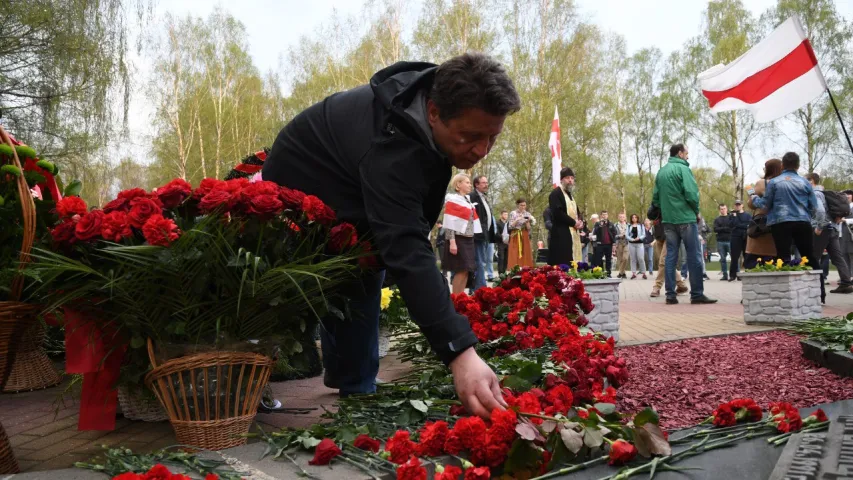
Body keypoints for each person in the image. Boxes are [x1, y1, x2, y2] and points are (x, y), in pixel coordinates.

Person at [262, 53, 520, 417]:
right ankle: (242, 373)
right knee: (339, 271)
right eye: (470, 136)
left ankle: (352, 377)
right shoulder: (392, 147)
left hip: (345, 182)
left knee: (364, 264)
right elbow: (407, 249)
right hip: (301, 186)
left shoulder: (432, 101)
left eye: (492, 137)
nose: (481, 151)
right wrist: (461, 355)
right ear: (433, 113)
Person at [652, 144, 716, 304]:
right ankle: (696, 294)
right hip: (686, 218)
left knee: (670, 257)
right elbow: (691, 193)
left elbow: (655, 198)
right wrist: (696, 212)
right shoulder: (684, 169)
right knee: (694, 255)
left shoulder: (661, 172)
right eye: (687, 153)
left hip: (668, 220)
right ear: (680, 153)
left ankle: (670, 295)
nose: (688, 156)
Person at [751, 153, 817, 271]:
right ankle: (819, 287)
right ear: (798, 165)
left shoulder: (774, 182)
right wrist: (808, 216)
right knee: (808, 256)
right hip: (802, 222)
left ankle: (786, 287)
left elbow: (764, 204)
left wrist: (753, 196)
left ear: (782, 165)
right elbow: (814, 206)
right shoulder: (805, 182)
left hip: (780, 223)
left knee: (783, 256)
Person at [806, 172, 853, 295]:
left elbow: (820, 211)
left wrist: (819, 227)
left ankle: (814, 288)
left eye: (806, 181)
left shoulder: (815, 194)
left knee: (814, 257)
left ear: (811, 181)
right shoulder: (824, 193)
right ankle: (846, 283)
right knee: (838, 257)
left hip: (822, 229)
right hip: (833, 229)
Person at [443, 174, 479, 294]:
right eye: (467, 182)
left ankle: (460, 299)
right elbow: (449, 222)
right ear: (458, 184)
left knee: (466, 271)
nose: (470, 185)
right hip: (458, 240)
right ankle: (455, 299)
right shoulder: (452, 200)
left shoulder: (467, 200)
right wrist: (452, 242)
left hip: (469, 239)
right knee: (461, 270)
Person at [744, 159, 781, 270]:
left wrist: (751, 195)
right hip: (778, 227)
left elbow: (751, 204)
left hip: (761, 227)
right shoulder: (784, 183)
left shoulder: (762, 183)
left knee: (754, 262)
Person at [547, 167, 583, 265]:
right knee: (563, 262)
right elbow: (558, 213)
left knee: (573, 261)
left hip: (573, 233)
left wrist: (580, 221)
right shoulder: (556, 194)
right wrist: (573, 222)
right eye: (567, 178)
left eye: (572, 178)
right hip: (561, 233)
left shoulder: (570, 195)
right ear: (562, 180)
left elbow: (577, 212)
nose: (570, 180)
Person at [469, 175, 497, 290]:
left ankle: (475, 287)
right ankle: (480, 288)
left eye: (486, 182)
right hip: (477, 235)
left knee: (482, 261)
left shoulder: (484, 197)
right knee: (479, 261)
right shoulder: (472, 197)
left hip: (485, 235)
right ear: (476, 184)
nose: (486, 184)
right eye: (483, 182)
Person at [507, 199, 536, 270]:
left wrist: (527, 222)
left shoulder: (528, 214)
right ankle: (514, 269)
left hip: (524, 234)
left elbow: (529, 228)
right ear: (517, 205)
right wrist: (517, 220)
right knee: (515, 252)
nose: (523, 207)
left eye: (524, 205)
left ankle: (526, 269)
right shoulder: (513, 213)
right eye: (521, 205)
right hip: (515, 234)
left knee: (525, 251)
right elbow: (510, 226)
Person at [728, 200, 751, 282]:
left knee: (747, 256)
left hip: (745, 237)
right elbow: (730, 225)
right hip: (735, 238)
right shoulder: (732, 215)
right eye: (736, 205)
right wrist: (734, 218)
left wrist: (738, 225)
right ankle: (732, 275)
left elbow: (749, 225)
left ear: (742, 205)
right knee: (734, 257)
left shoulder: (747, 215)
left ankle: (748, 273)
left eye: (739, 204)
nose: (737, 206)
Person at [592, 211, 617, 276]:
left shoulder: (611, 224)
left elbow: (615, 232)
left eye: (606, 215)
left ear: (607, 216)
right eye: (603, 215)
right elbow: (595, 232)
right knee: (599, 259)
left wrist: (613, 242)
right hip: (600, 244)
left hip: (609, 244)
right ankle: (601, 272)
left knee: (608, 259)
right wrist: (600, 226)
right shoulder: (597, 224)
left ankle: (608, 273)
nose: (604, 216)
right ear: (601, 216)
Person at [713, 204, 732, 280]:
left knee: (734, 258)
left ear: (726, 209)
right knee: (723, 259)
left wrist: (721, 228)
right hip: (720, 241)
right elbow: (715, 229)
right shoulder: (717, 219)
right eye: (721, 209)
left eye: (724, 208)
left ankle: (736, 274)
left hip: (730, 240)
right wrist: (725, 228)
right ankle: (725, 275)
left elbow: (732, 228)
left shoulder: (730, 218)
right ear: (719, 210)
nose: (723, 210)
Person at [626, 214, 647, 279]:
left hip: (639, 244)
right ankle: (634, 273)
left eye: (635, 217)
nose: (634, 218)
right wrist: (632, 239)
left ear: (637, 218)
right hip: (631, 244)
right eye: (633, 217)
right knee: (633, 259)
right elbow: (626, 235)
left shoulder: (641, 225)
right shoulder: (629, 225)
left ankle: (643, 273)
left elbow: (644, 234)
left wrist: (639, 238)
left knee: (641, 258)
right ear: (631, 219)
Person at [614, 213, 629, 278]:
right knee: (620, 259)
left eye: (623, 217)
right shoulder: (615, 225)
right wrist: (619, 236)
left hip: (627, 243)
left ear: (625, 218)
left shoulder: (628, 225)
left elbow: (631, 234)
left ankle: (620, 272)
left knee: (625, 258)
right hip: (619, 242)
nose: (622, 218)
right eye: (620, 217)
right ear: (618, 217)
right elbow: (613, 235)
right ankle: (623, 273)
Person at [495, 210, 509, 275]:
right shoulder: (497, 223)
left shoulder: (508, 224)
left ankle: (504, 272)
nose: (506, 216)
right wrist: (503, 238)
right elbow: (496, 234)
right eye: (505, 214)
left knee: (506, 258)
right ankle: (500, 273)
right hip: (500, 243)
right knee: (501, 258)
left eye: (507, 215)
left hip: (507, 243)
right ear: (501, 215)